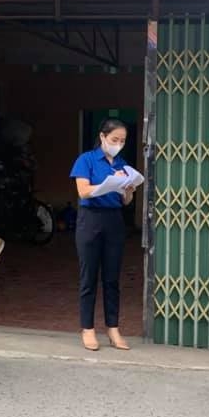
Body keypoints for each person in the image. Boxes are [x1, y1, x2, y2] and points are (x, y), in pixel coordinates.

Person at [70, 118, 137, 352]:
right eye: (114, 139)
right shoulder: (86, 160)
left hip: (114, 220)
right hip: (90, 219)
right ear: (102, 137)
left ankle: (113, 328)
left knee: (112, 278)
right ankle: (87, 328)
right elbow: (83, 191)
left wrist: (128, 190)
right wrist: (108, 184)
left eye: (122, 141)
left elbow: (126, 201)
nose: (118, 144)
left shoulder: (122, 164)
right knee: (88, 276)